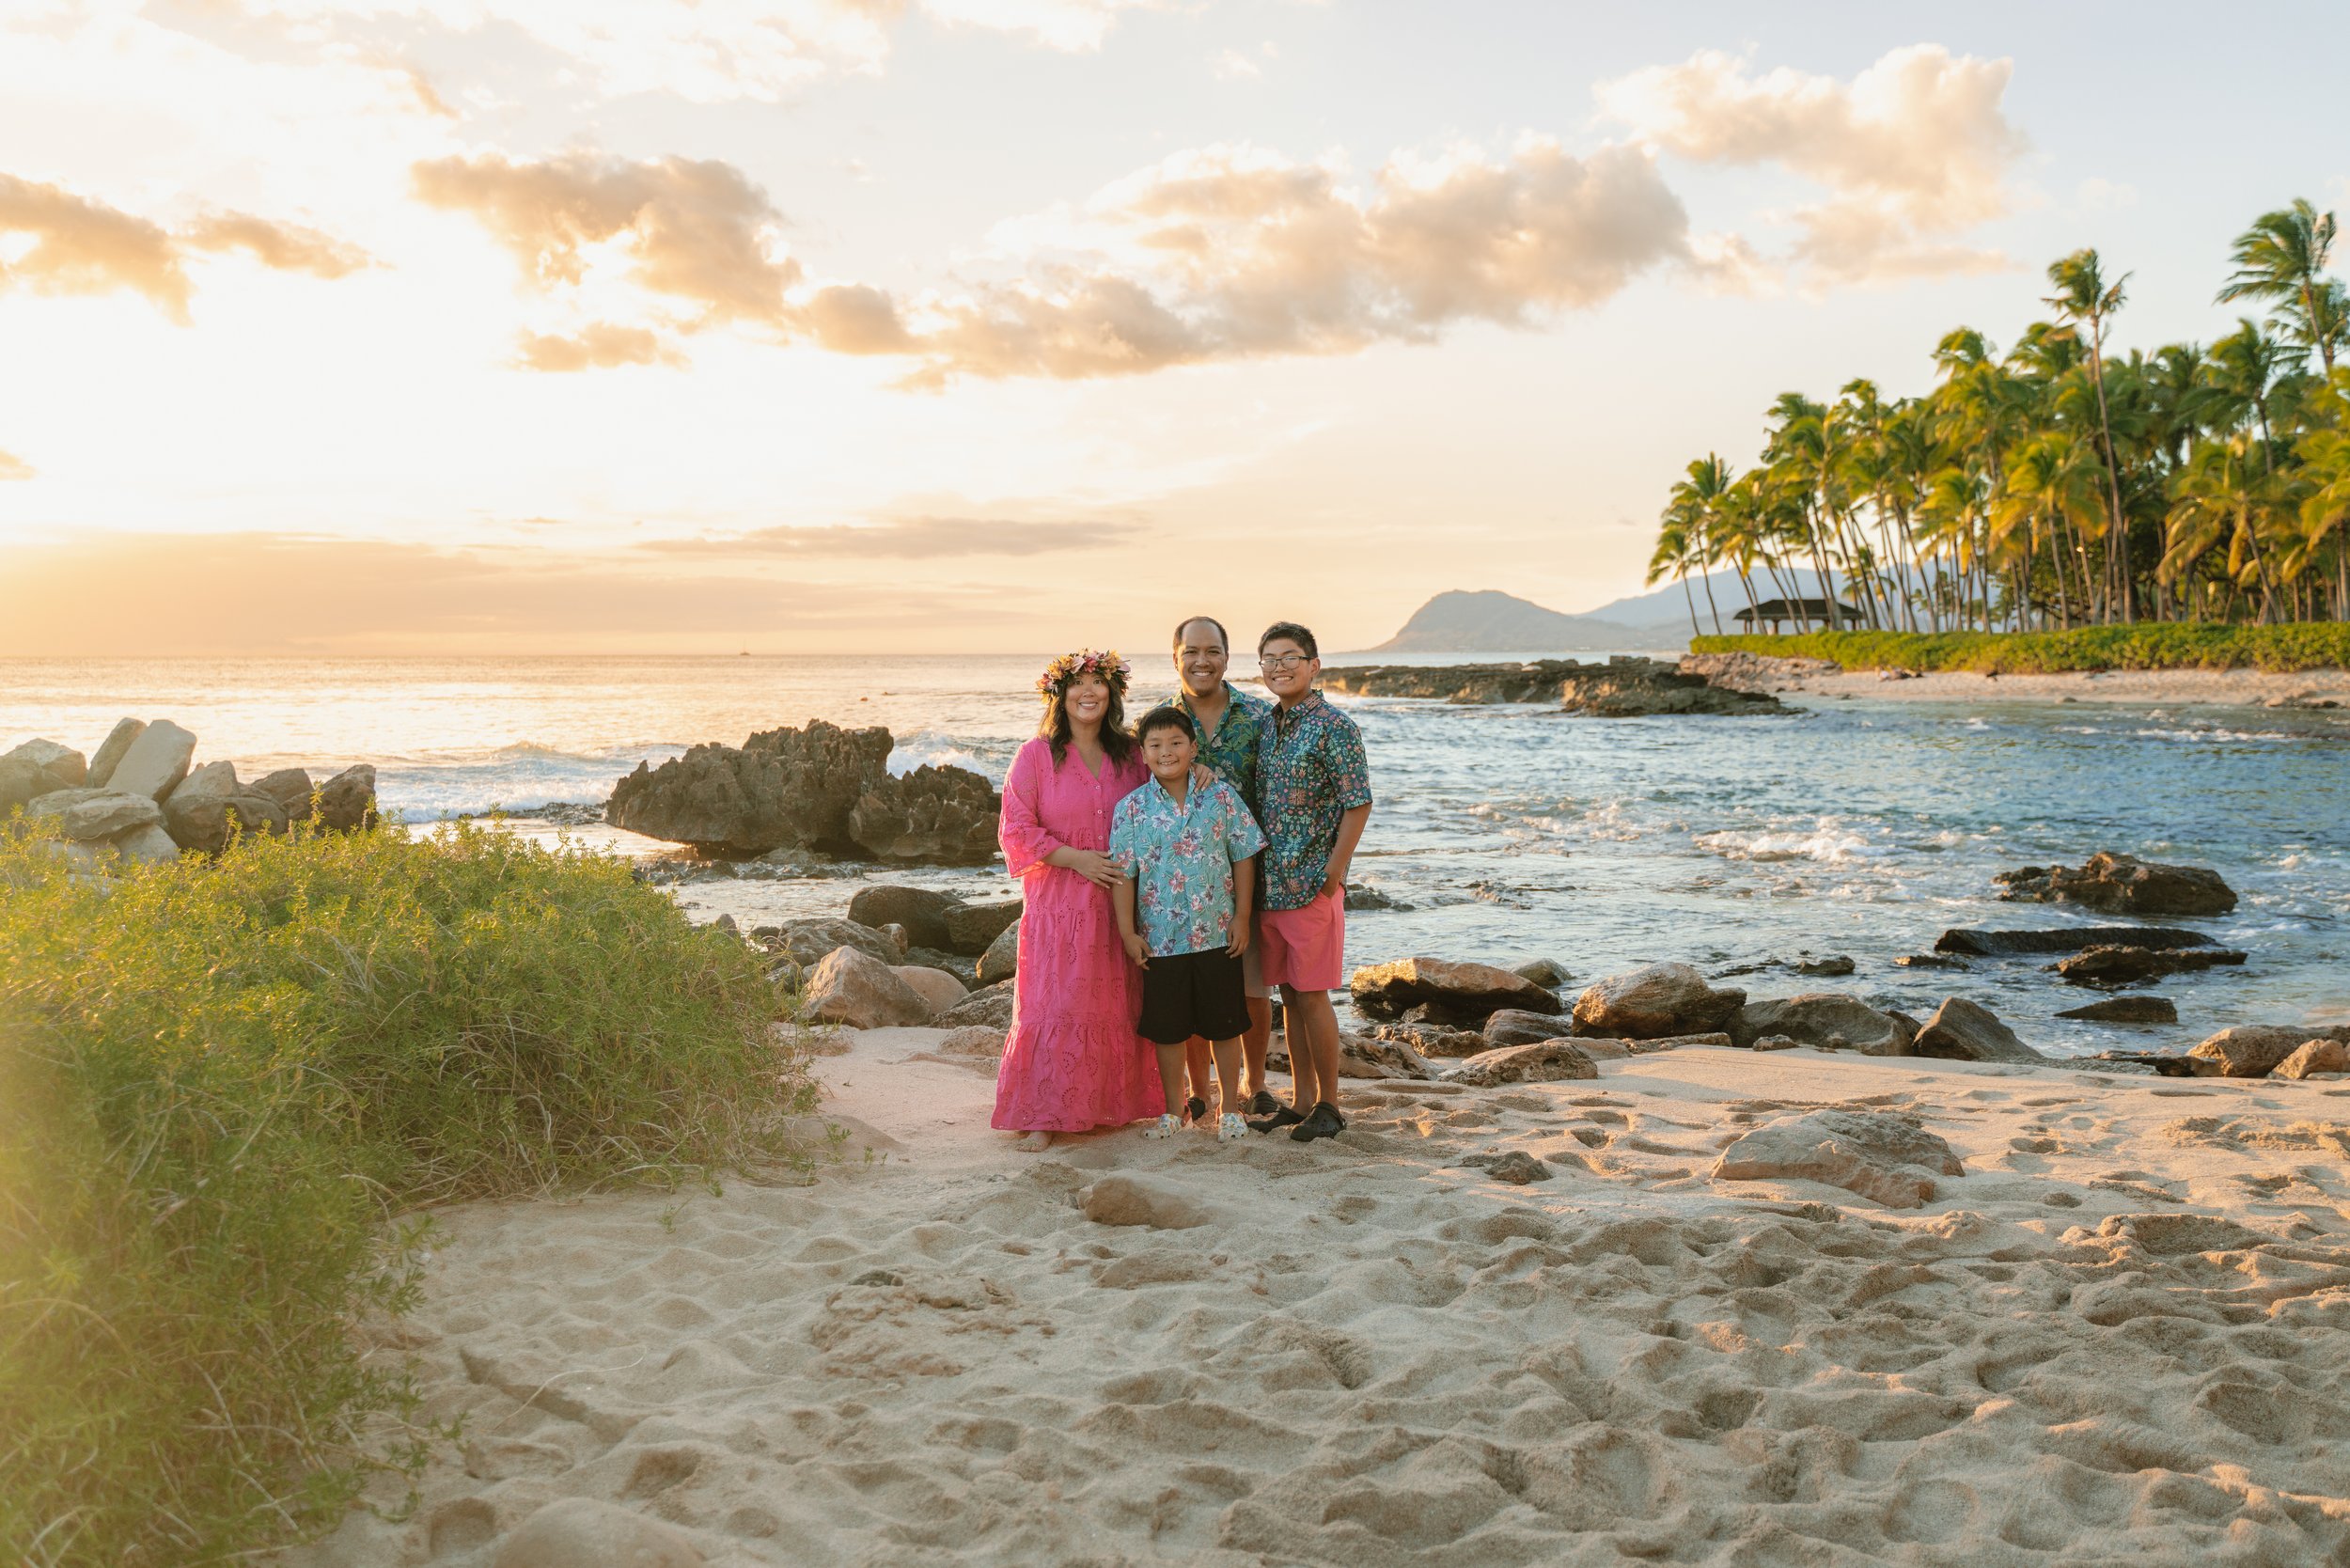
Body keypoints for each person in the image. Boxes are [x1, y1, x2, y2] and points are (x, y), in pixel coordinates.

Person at [990, 650, 1163, 1152]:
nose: (1088, 693)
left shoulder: (1132, 755)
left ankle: (1110, 1105)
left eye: (1098, 684)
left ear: (1112, 693)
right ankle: (1044, 1113)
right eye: (1077, 685)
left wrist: (1202, 776)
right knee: (1054, 1002)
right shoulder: (1035, 756)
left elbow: (1169, 787)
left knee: (1113, 1001)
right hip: (1057, 905)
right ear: (1059, 694)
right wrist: (1077, 859)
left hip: (1120, 901)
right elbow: (1016, 830)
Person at [1108, 705, 1264, 1142]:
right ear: (1143, 753)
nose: (1167, 752)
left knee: (1225, 1025)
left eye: (1176, 743)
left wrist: (1243, 917)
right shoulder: (1131, 809)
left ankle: (1230, 1110)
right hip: (1161, 940)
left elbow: (1244, 855)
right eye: (1155, 745)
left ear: (1194, 748)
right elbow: (1123, 873)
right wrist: (1127, 932)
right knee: (1169, 1029)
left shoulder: (1221, 796)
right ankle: (1174, 1111)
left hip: (1217, 934)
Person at [1247, 621, 1372, 1143]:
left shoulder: (1333, 726)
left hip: (1310, 885)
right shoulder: (1268, 725)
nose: (1280, 666)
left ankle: (1330, 1105)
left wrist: (1333, 873)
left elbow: (1358, 801)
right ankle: (1299, 1102)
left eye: (1290, 657)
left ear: (1314, 665)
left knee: (1314, 996)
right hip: (1270, 886)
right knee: (1290, 998)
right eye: (1270, 659)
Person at [1165, 615, 1280, 1119]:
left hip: (1249, 874)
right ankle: (1198, 1090)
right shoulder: (1157, 725)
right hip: (1177, 884)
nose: (1202, 660)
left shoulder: (1259, 717)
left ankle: (1254, 1086)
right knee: (1190, 987)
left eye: (1212, 651)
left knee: (1252, 987)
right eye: (1192, 651)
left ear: (1227, 658)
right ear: (1176, 657)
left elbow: (1280, 795)